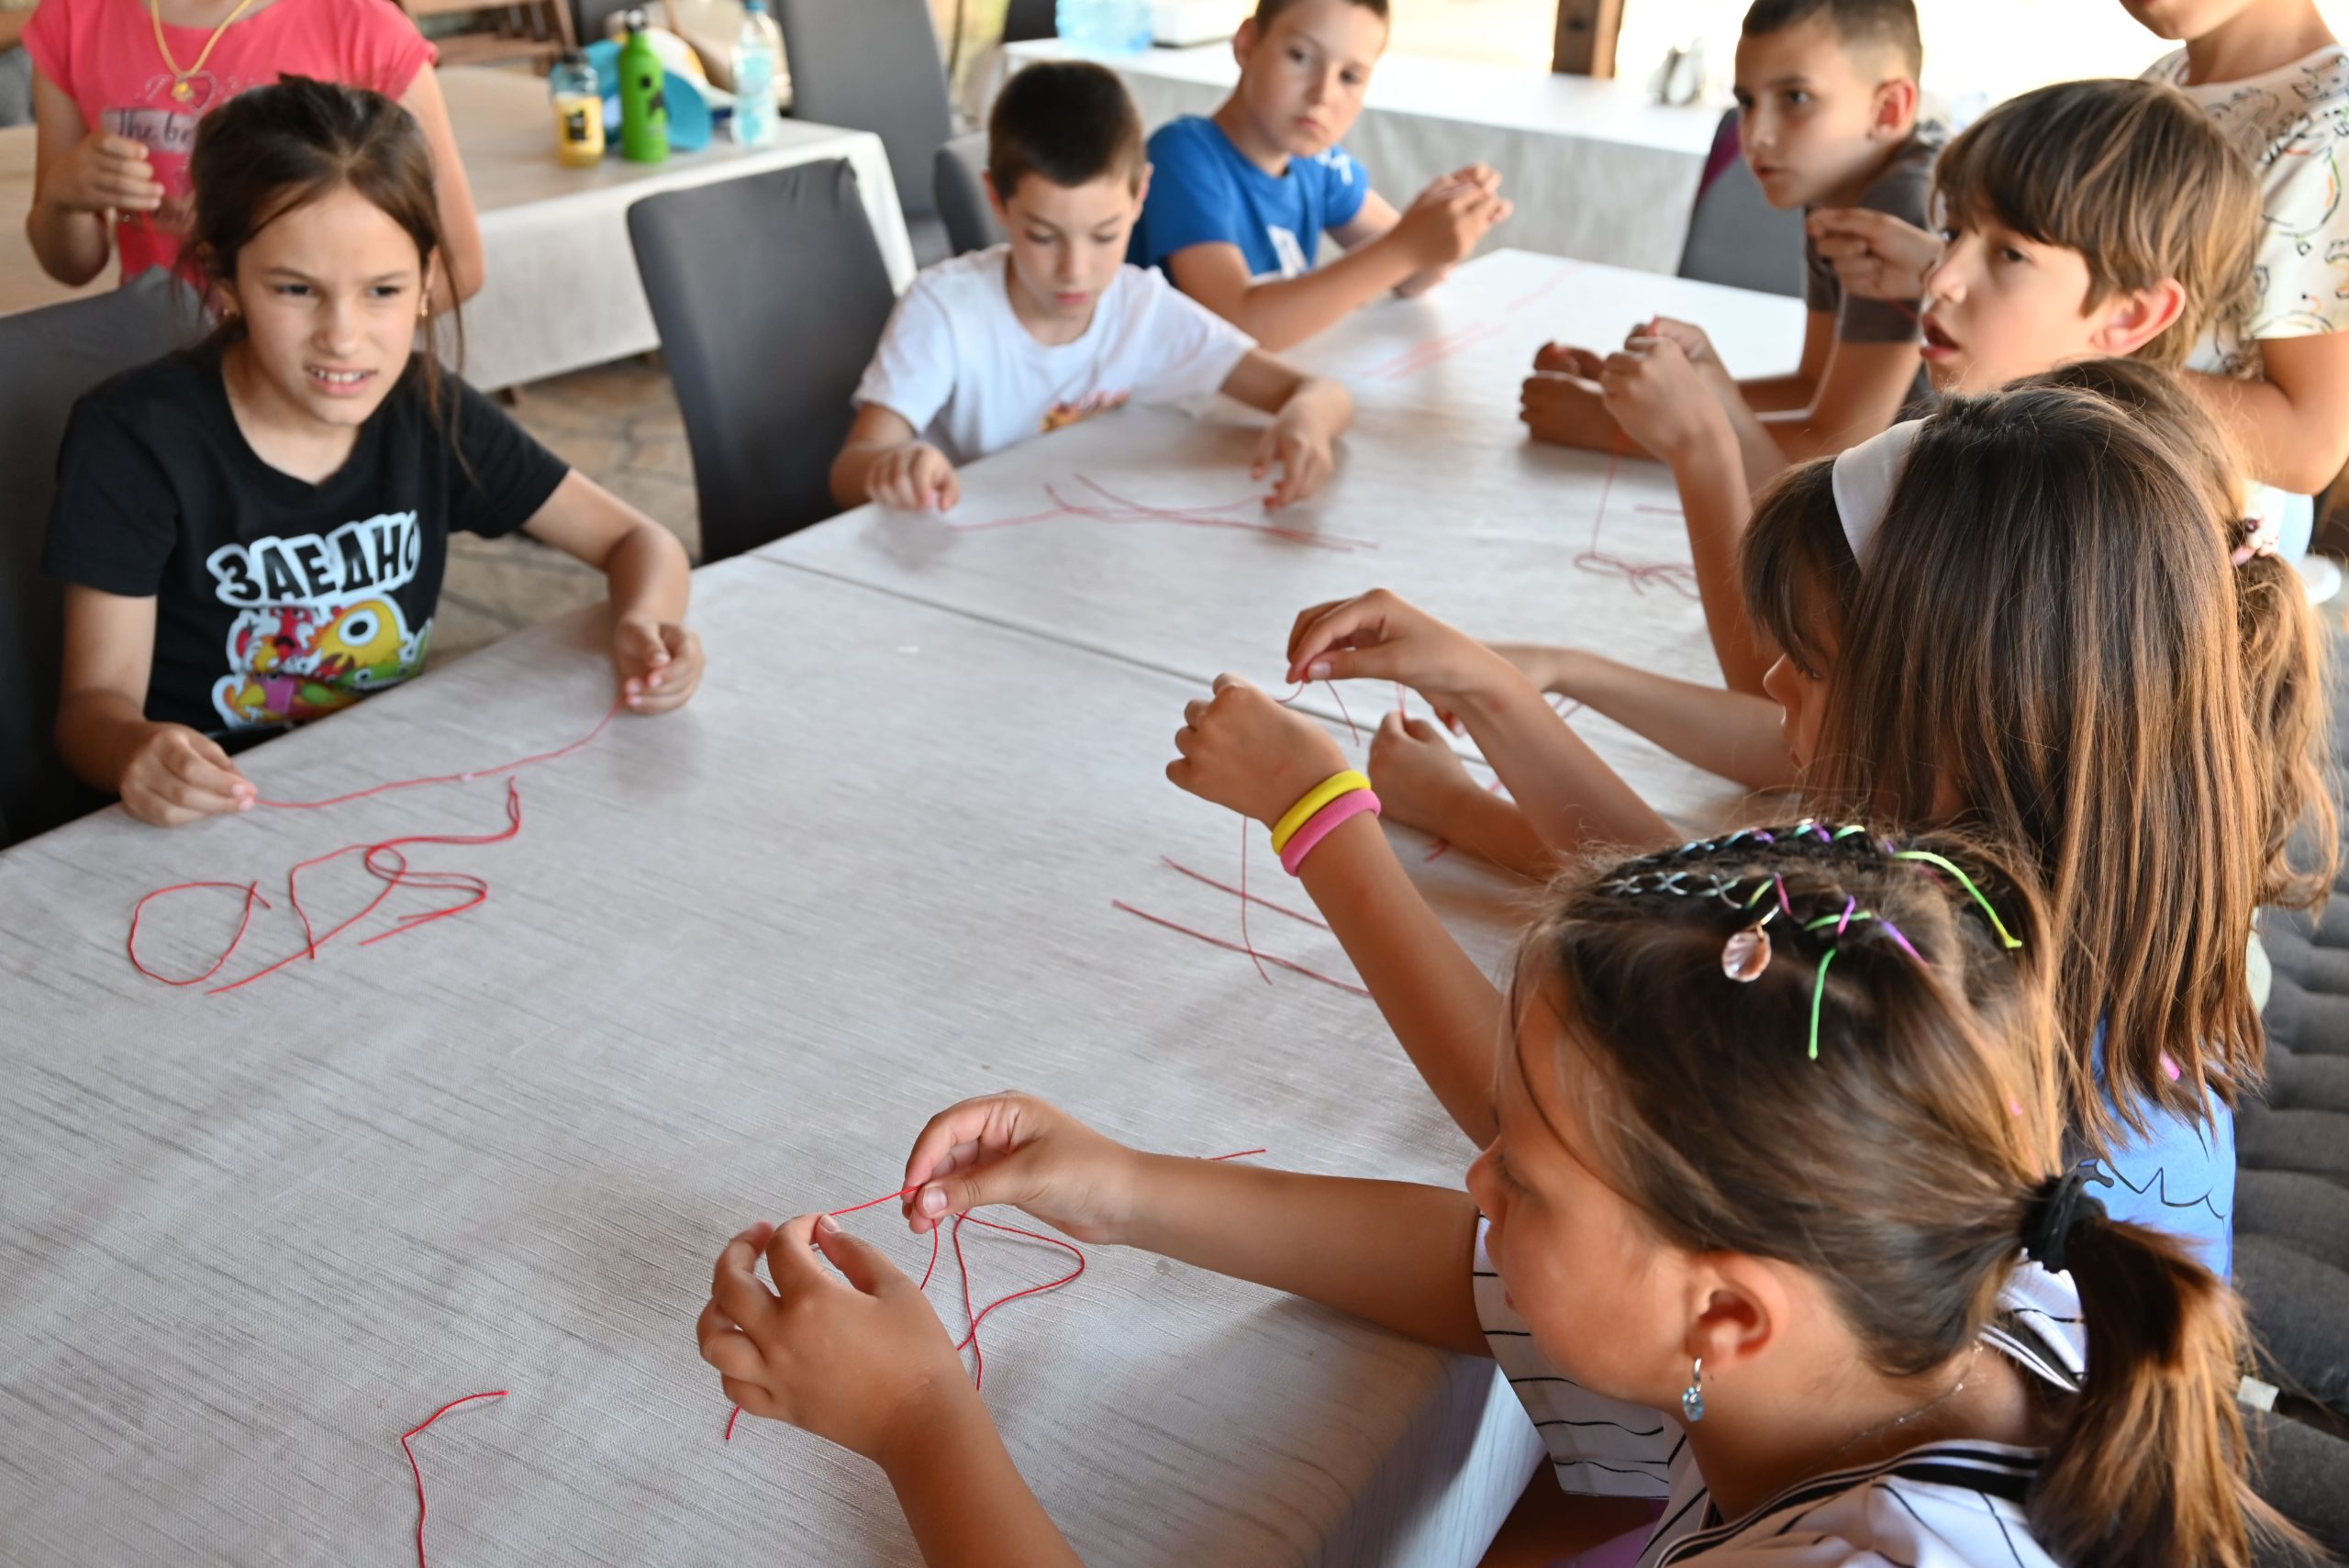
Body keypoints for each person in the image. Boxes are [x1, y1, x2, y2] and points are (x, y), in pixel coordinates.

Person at [698, 829, 2295, 1568]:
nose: (1476, 1178)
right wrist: (1120, 1186)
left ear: (1724, 1313)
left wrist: (923, 1421)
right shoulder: (1923, 1298)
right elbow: (1477, 1270)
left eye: (1522, 1169)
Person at [1208, 382, 2332, 1281]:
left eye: (1814, 663)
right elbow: (1692, 904)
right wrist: (1490, 690)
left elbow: (1545, 1111)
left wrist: (1321, 819)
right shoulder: (2079, 885)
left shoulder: (1925, 1007)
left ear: (1959, 714)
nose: (1772, 681)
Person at [45, 78, 699, 828]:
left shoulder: (427, 408)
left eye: (382, 291)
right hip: (200, 821)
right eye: (296, 290)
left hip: (376, 797)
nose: (344, 337)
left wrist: (645, 622)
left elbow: (638, 539)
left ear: (426, 282)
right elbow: (90, 709)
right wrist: (134, 748)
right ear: (224, 281)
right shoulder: (135, 439)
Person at [1616, 77, 2260, 694]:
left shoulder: (2055, 507)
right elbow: (1815, 588)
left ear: (2132, 315)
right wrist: (1722, 407)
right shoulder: (2092, 451)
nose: (1941, 277)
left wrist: (1700, 449)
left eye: (2009, 254)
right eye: (1952, 233)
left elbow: (1788, 701)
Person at [833, 60, 1354, 515]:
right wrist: (892, 467)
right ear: (996, 199)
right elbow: (849, 469)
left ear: (1140, 195)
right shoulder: (944, 309)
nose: (1075, 270)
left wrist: (1306, 419)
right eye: (1043, 237)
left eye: (1105, 236)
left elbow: (1321, 391)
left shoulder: (1140, 307)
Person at [1522, 0, 1934, 480]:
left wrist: (1612, 428)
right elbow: (1812, 386)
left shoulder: (1905, 200)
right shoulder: (1833, 187)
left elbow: (1835, 452)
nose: (1755, 135)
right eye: (1747, 102)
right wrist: (1638, 401)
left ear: (1888, 109)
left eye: (1796, 98)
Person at [22, 0, 484, 302]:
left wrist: (346, 345)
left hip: (310, 374)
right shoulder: (73, 17)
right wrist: (63, 200)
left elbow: (458, 266)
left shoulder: (362, 26)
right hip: (157, 363)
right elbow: (70, 267)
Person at [1126, 0, 1511, 350]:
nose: (1322, 93)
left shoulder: (1319, 165)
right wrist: (1407, 245)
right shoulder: (1183, 155)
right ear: (1247, 44)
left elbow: (1414, 276)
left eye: (1350, 77)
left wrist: (1447, 221)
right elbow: (1237, 327)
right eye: (1300, 57)